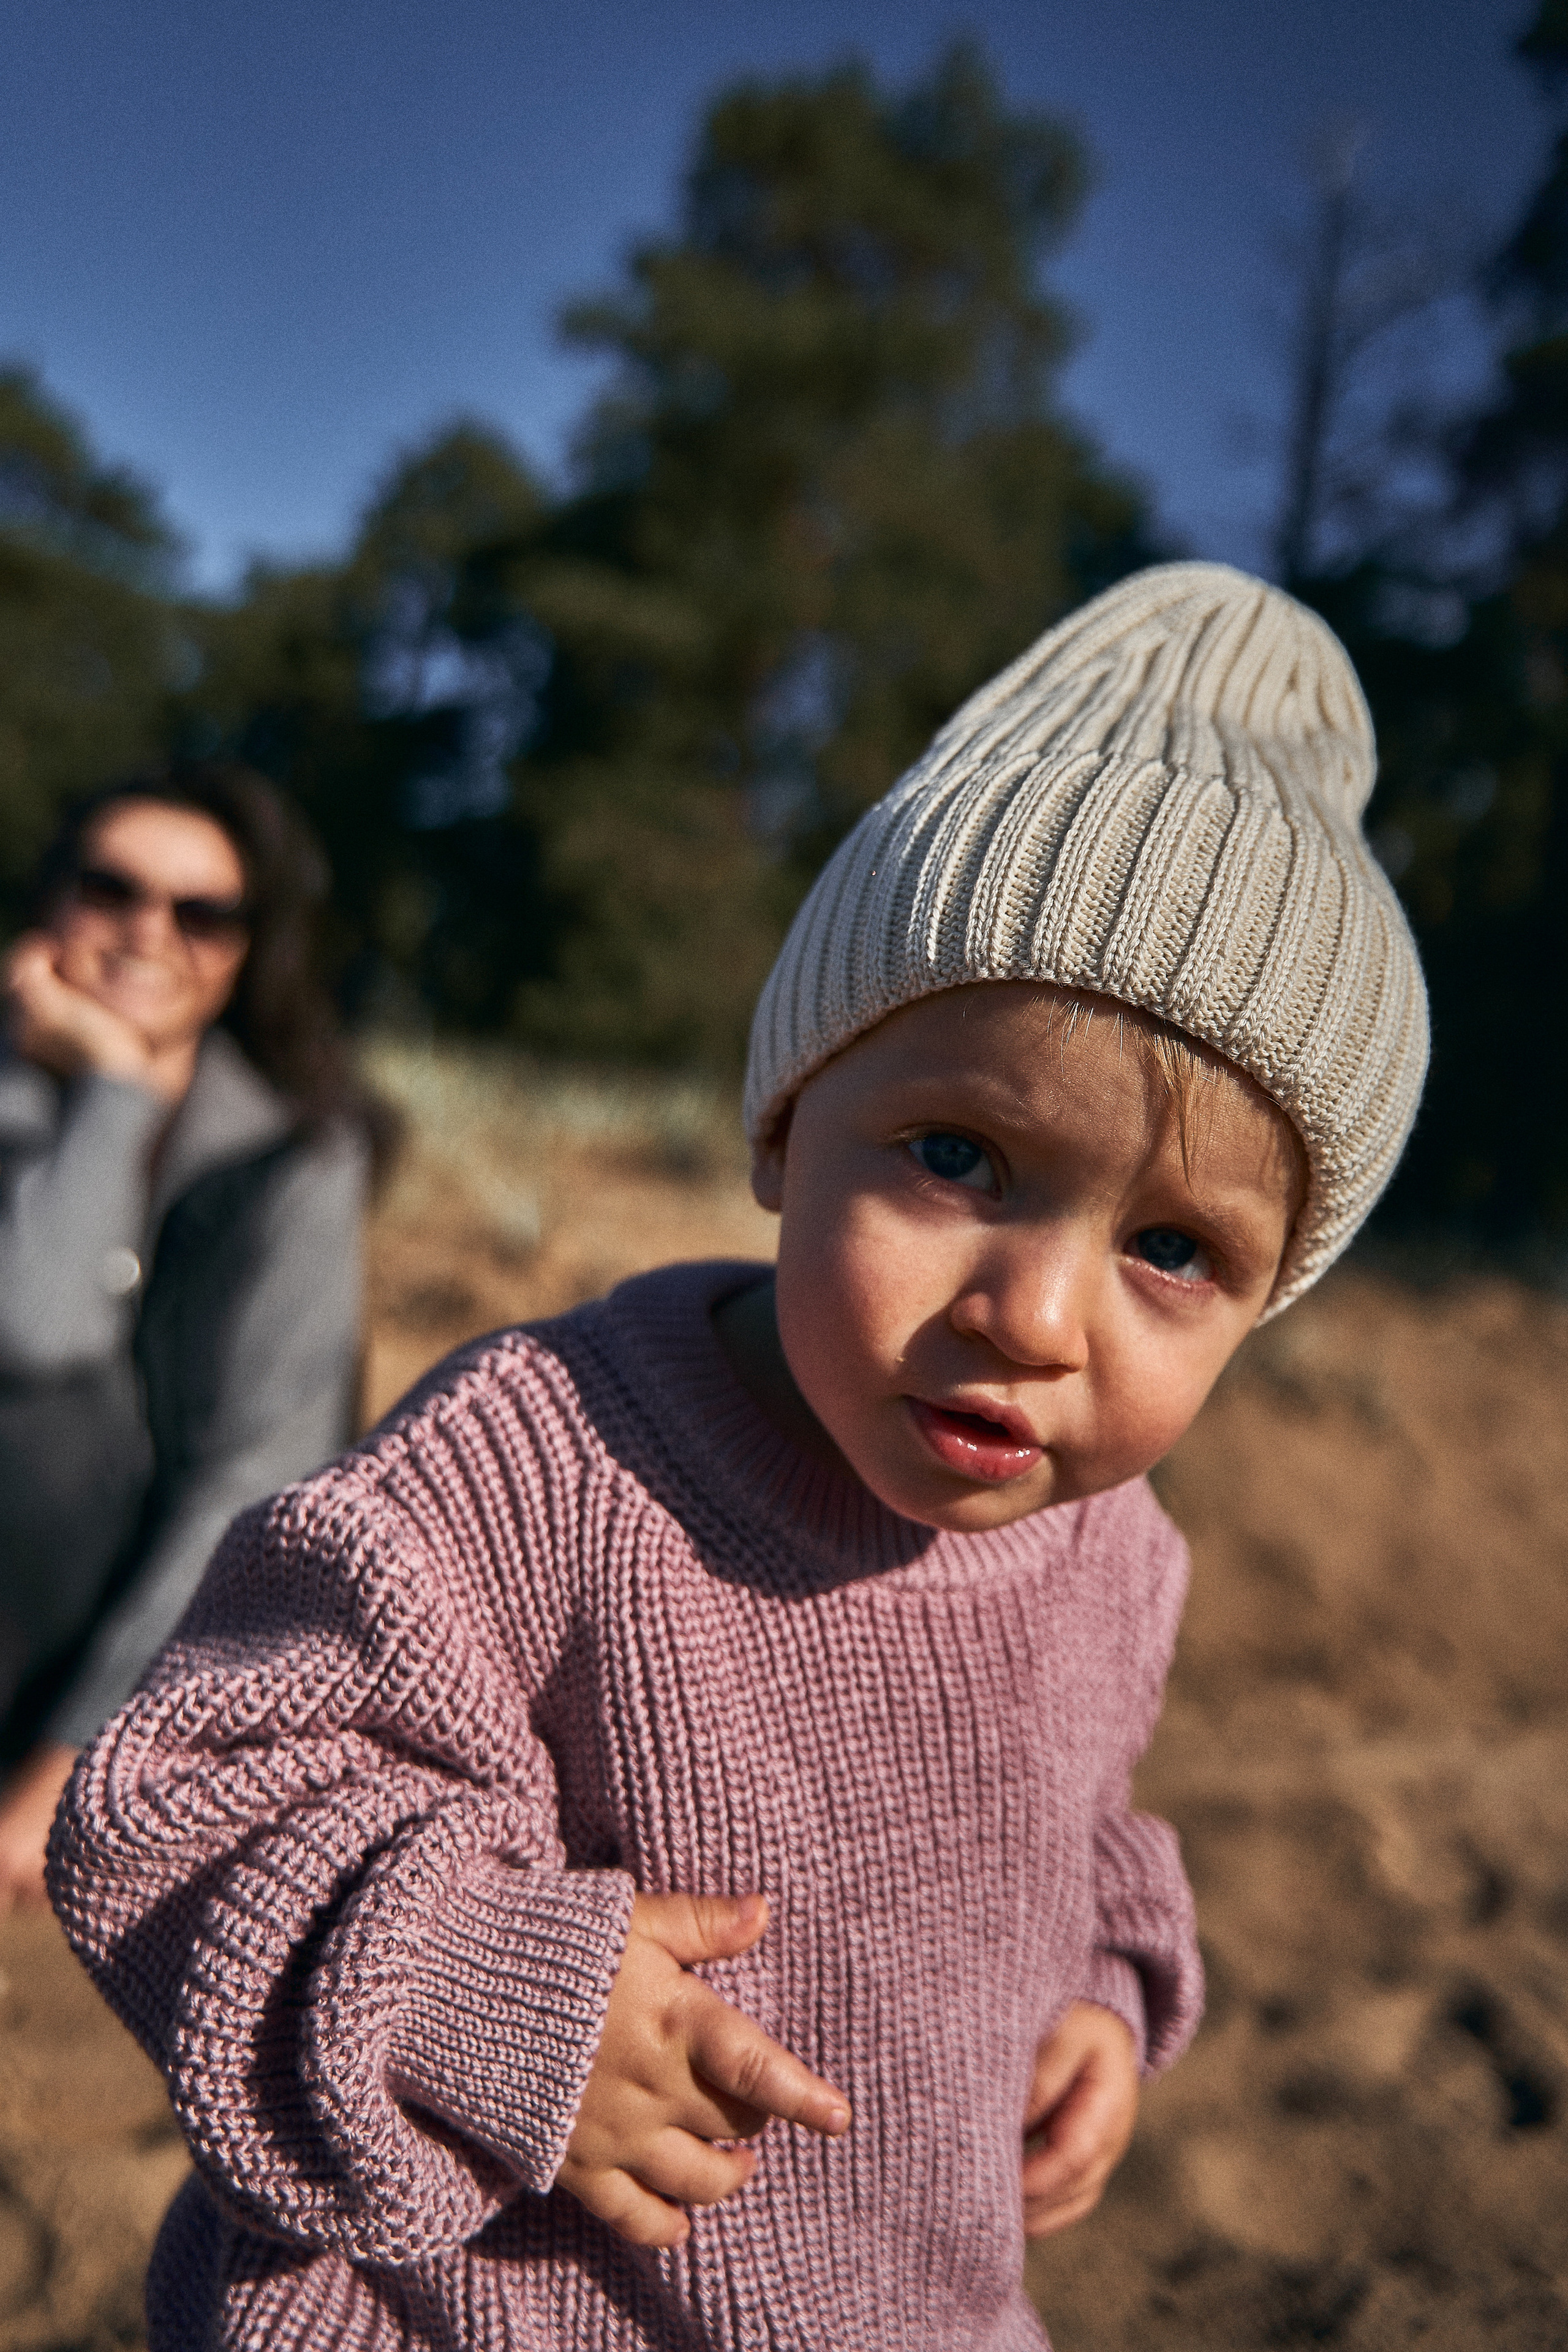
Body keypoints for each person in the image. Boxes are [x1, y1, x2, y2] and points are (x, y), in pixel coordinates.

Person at [48, 566, 1426, 2352]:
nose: (1038, 1313)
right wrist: (481, 1989)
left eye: (1174, 1252)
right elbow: (186, 1801)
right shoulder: (545, 1460)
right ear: (789, 1125)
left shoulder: (1122, 1556)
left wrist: (1094, 1989)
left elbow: (1073, 1819)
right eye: (959, 1155)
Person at [0, 762, 389, 1908]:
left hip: (142, 1639)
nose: (145, 932)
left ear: (247, 950)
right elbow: (39, 1313)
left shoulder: (301, 1164)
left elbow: (249, 1482)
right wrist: (94, 1090)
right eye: (110, 889)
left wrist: (72, 1765)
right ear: (54, 900)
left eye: (202, 913)